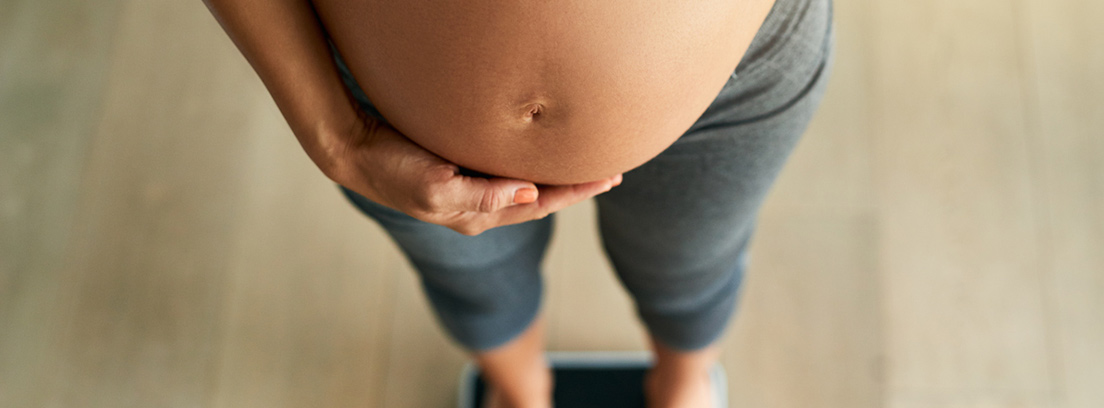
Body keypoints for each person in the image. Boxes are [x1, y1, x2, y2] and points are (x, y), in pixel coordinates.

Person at [203, 0, 833, 406]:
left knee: (691, 263)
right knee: (472, 280)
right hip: (386, 98)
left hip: (742, 62)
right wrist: (339, 138)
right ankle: (519, 392)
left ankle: (683, 384)